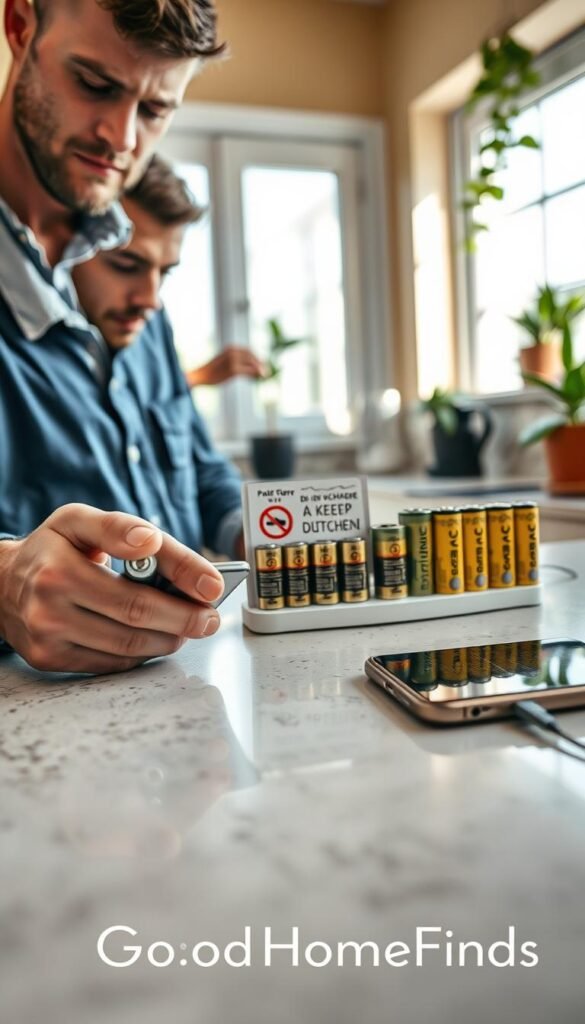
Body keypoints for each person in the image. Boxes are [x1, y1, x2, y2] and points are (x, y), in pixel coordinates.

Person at [0, 0, 230, 675]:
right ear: (19, 28)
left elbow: (198, 469)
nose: (121, 137)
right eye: (95, 84)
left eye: (155, 110)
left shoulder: (136, 300)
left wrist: (266, 532)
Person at [64, 154, 246, 565]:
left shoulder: (154, 325)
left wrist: (245, 534)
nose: (149, 299)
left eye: (164, 273)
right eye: (127, 265)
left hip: (191, 624)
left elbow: (204, 470)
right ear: (68, 247)